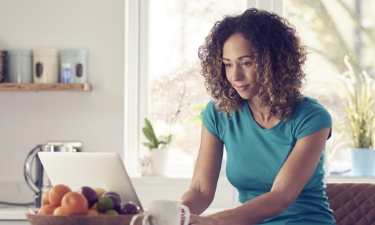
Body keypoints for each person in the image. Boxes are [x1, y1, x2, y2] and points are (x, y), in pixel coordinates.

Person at [180, 8, 336, 225]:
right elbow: (200, 190)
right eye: (227, 64)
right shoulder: (218, 115)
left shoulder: (312, 117)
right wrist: (175, 214)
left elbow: (280, 197)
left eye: (246, 63)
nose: (235, 76)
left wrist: (213, 221)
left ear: (273, 62)